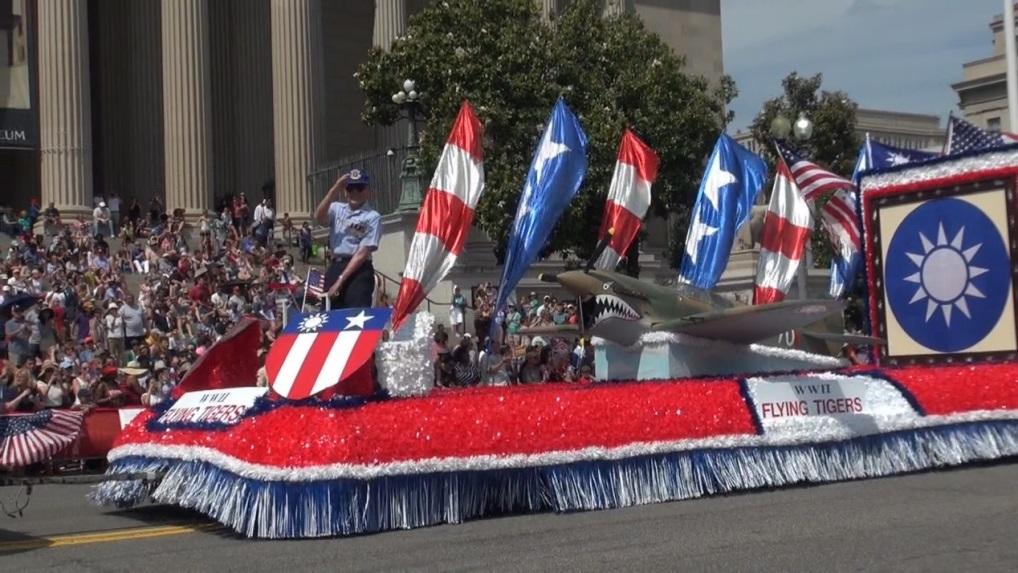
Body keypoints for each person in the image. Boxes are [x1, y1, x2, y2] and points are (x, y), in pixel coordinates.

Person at [314, 170, 381, 309]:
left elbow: (362, 253)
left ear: (367, 191)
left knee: (354, 316)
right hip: (336, 265)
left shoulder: (373, 217)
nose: (355, 192)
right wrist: (335, 188)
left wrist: (340, 281)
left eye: (360, 188)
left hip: (358, 269)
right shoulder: (336, 208)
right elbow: (319, 217)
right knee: (328, 314)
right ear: (345, 191)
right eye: (350, 188)